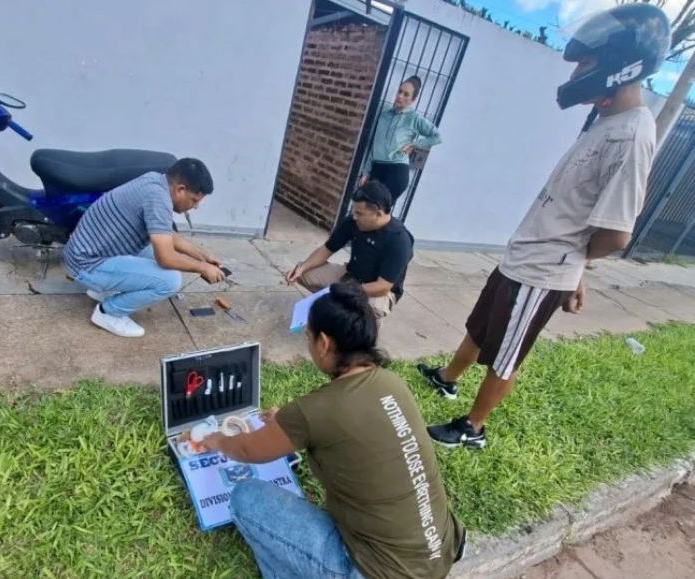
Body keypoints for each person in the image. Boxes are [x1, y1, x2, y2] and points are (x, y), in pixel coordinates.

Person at [417, 4, 671, 450]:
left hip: (542, 270)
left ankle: (472, 429)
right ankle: (446, 378)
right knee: (479, 327)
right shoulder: (607, 121)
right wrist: (578, 272)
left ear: (619, 67)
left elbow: (616, 234)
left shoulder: (633, 135)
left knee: (506, 355)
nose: (576, 72)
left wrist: (572, 267)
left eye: (586, 64)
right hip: (524, 255)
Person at [203, 283, 466, 579]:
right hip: (437, 557)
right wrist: (288, 424)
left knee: (246, 497)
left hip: (378, 572)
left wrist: (217, 440)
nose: (308, 343)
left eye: (308, 336)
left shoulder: (315, 411)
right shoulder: (392, 383)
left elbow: (246, 450)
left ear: (324, 343)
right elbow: (345, 429)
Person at [63, 158, 225, 338]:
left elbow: (167, 235)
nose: (195, 206)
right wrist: (201, 267)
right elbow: (166, 258)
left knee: (156, 253)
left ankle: (105, 290)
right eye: (194, 200)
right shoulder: (158, 199)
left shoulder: (154, 181)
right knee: (169, 280)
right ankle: (108, 312)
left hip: (90, 251)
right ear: (180, 189)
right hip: (87, 265)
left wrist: (203, 256)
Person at [285, 180, 414, 320]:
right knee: (305, 274)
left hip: (379, 292)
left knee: (365, 308)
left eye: (360, 213)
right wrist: (302, 267)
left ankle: (365, 328)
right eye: (354, 211)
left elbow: (383, 286)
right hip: (351, 275)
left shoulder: (399, 241)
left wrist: (346, 291)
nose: (354, 216)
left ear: (378, 213)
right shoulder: (353, 222)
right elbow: (327, 249)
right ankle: (337, 307)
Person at [359, 75, 442, 205]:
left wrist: (414, 144)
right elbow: (374, 145)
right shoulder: (384, 115)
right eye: (400, 91)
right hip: (376, 169)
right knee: (365, 208)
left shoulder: (415, 118)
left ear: (413, 100)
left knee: (375, 211)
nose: (400, 96)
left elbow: (437, 136)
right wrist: (366, 171)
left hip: (396, 172)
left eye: (406, 94)